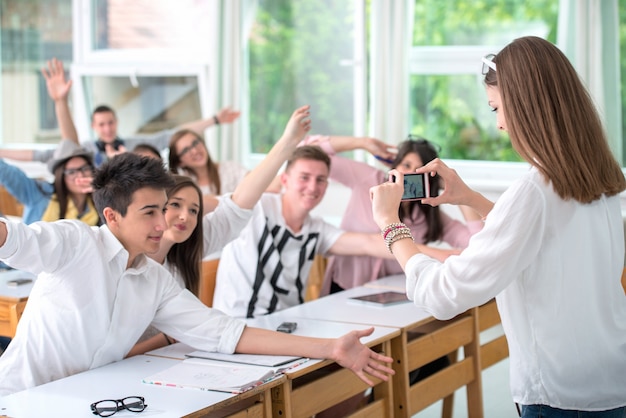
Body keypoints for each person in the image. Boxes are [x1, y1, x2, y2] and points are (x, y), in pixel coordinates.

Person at [370, 36, 626, 417]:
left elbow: (443, 294)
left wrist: (391, 225)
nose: (501, 124)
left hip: (559, 398)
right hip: (612, 385)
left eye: (497, 108)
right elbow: (548, 239)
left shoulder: (533, 191)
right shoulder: (602, 181)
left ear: (526, 107)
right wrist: (472, 199)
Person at [0, 155, 394, 395]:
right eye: (149, 212)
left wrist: (329, 348)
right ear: (112, 216)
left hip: (84, 400)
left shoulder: (155, 281)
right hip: (20, 400)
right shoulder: (75, 242)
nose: (164, 222)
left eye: (162, 208)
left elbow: (225, 333)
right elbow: (13, 238)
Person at [128, 105, 316, 356]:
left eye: (195, 210)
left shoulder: (184, 251)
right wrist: (168, 338)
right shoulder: (130, 261)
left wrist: (288, 142)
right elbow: (112, 354)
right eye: (175, 205)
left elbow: (240, 202)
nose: (185, 215)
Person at [212, 145, 399, 319]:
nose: (312, 187)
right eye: (304, 177)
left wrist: (420, 257)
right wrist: (362, 142)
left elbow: (369, 244)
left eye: (320, 180)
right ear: (284, 180)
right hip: (238, 323)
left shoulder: (316, 228)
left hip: (288, 325)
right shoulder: (254, 208)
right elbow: (219, 203)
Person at [303, 134, 483, 295]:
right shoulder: (368, 179)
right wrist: (363, 143)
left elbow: (478, 245)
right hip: (343, 288)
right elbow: (306, 153)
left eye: (420, 170)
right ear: (394, 166)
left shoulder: (427, 214)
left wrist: (461, 194)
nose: (410, 174)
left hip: (391, 298)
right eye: (406, 165)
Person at [0, 58, 241, 167]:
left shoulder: (136, 144)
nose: (107, 128)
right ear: (94, 127)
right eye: (101, 124)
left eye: (110, 123)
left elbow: (175, 135)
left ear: (116, 122)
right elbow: (39, 154)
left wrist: (215, 120)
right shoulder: (83, 149)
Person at [0, 140, 99, 226]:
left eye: (85, 169)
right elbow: (6, 173)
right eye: (71, 172)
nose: (81, 176)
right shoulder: (40, 193)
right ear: (61, 176)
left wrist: (100, 189)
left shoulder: (98, 203)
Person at [168, 129, 249, 214]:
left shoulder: (231, 169)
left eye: (195, 143)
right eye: (185, 150)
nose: (195, 151)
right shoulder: (184, 188)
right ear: (180, 162)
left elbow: (256, 183)